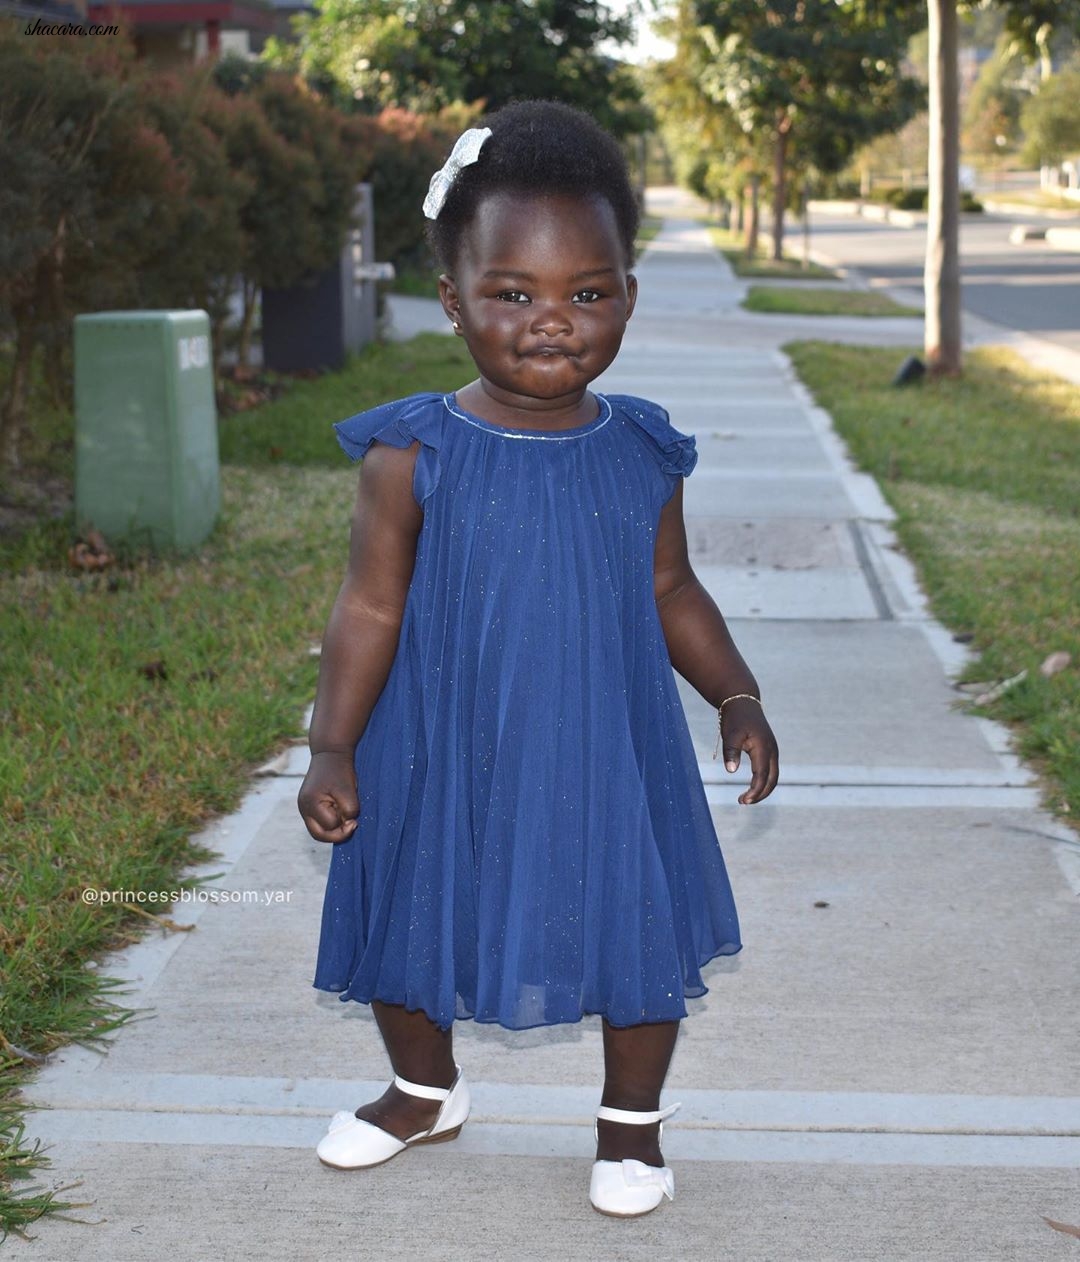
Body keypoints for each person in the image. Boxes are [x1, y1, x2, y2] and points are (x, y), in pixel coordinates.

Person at [297, 98, 779, 1219]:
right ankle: (422, 1088)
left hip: (607, 746)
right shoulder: (411, 452)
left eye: (588, 292)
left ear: (626, 296)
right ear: (452, 298)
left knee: (633, 920)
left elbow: (671, 589)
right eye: (514, 292)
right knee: (409, 911)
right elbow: (369, 606)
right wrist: (333, 743)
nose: (553, 320)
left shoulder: (640, 448)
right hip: (440, 743)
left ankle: (629, 1124)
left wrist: (737, 692)